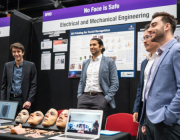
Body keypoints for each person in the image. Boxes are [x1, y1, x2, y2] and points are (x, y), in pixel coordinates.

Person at [139, 12, 180, 140]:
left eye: (154, 25)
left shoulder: (176, 50)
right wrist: (145, 120)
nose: (150, 29)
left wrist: (168, 117)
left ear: (167, 26)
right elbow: (150, 90)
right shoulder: (159, 54)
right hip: (152, 121)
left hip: (167, 123)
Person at [77, 38, 119, 129]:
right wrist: (79, 96)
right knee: (81, 127)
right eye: (90, 45)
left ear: (101, 47)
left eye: (94, 45)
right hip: (84, 98)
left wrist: (106, 99)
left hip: (100, 98)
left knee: (96, 129)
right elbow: (82, 81)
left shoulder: (109, 62)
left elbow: (115, 83)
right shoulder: (85, 62)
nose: (92, 47)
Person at [132, 24, 160, 140]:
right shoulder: (145, 62)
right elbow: (140, 87)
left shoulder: (163, 59)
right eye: (144, 38)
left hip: (158, 110)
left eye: (147, 37)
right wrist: (136, 108)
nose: (144, 41)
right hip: (144, 108)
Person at [1, 43, 37, 114]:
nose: (16, 54)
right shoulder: (7, 66)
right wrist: (2, 101)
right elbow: (3, 86)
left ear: (23, 52)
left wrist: (29, 100)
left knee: (23, 123)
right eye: (14, 51)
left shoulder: (31, 66)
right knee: (9, 122)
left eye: (18, 51)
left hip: (23, 100)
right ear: (12, 53)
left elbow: (34, 85)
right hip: (10, 99)